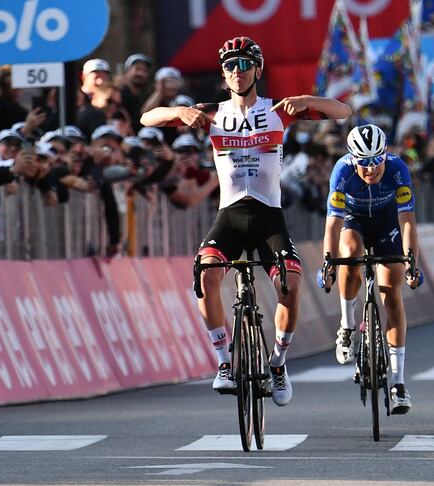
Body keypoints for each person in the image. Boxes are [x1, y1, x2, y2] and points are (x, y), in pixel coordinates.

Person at [141, 36, 351, 406]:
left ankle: (279, 363)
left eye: (243, 65)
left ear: (258, 69)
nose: (237, 72)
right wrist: (180, 113)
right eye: (229, 67)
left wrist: (307, 102)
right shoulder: (211, 111)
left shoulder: (278, 110)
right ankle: (224, 363)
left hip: (268, 215)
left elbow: (342, 111)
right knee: (205, 275)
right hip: (231, 215)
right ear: (223, 75)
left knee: (291, 283)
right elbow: (146, 118)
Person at [321, 124, 421, 415]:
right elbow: (333, 224)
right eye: (363, 162)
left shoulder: (398, 169)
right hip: (354, 220)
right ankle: (347, 325)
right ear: (353, 159)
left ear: (385, 155)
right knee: (349, 253)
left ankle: (398, 383)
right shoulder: (342, 171)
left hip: (387, 221)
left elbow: (408, 221)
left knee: (391, 291)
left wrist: (411, 260)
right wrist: (328, 260)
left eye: (376, 160)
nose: (370, 168)